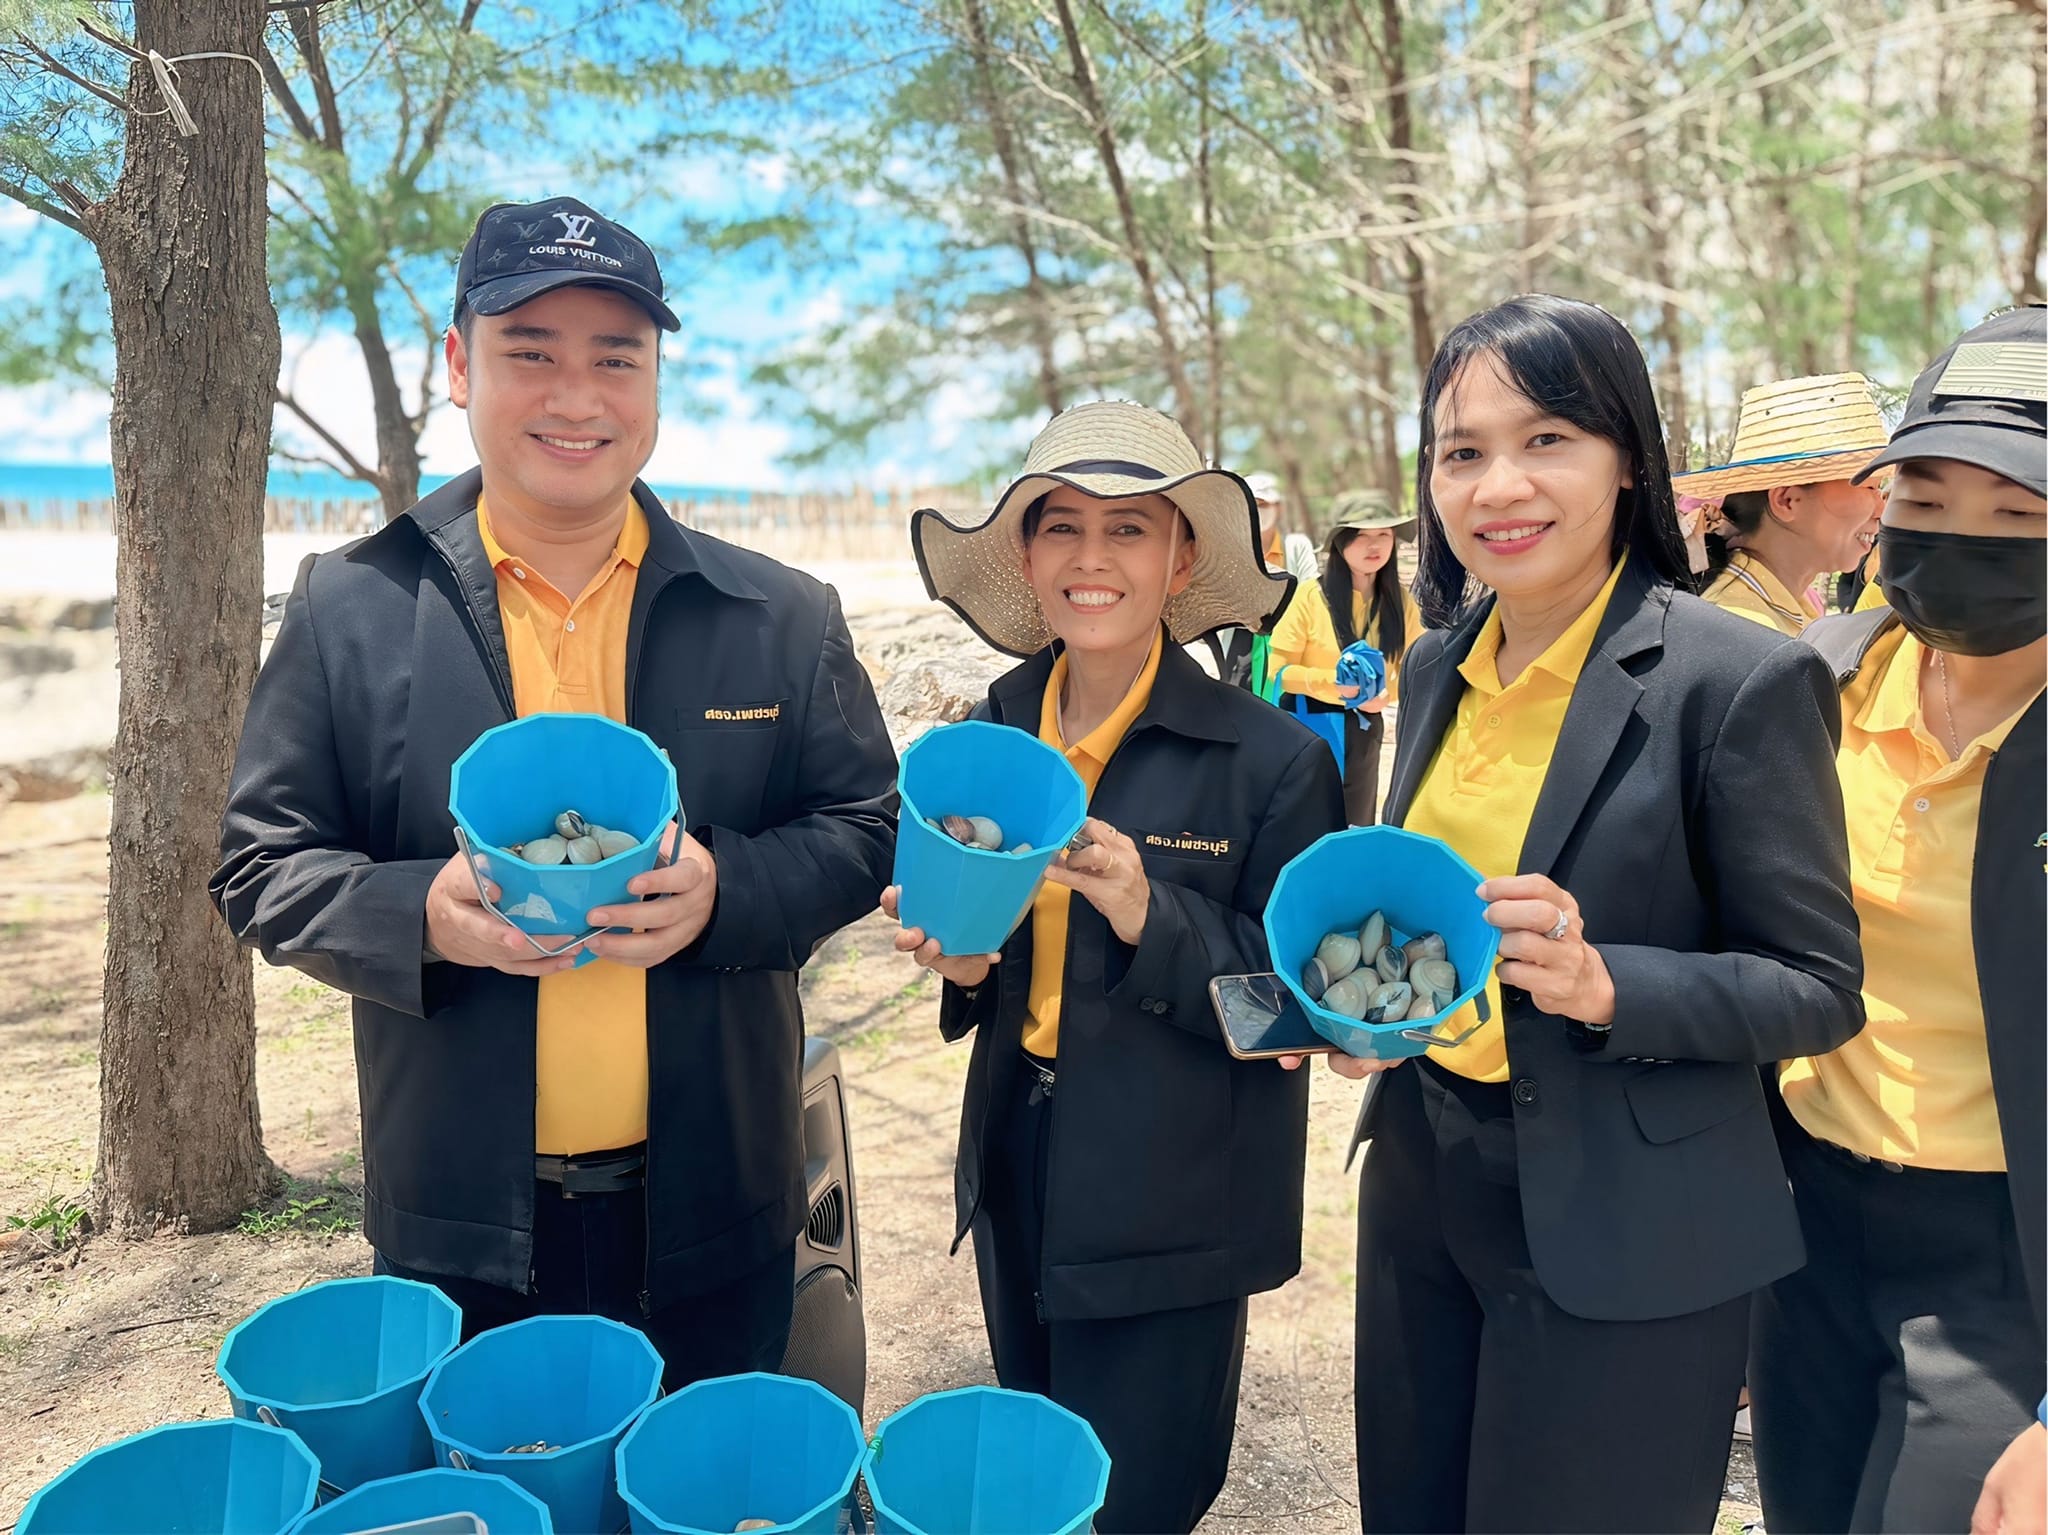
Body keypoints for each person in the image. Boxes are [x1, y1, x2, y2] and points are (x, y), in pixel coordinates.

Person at [211, 198, 898, 1388]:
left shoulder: (779, 615)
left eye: (615, 358)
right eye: (530, 352)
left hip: (717, 1216)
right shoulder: (350, 606)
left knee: (702, 1480)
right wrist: (422, 913)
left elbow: (864, 827)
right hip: (459, 1230)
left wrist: (725, 889)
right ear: (459, 364)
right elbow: (260, 863)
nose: (576, 398)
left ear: (655, 381)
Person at [1326, 295, 1865, 1533]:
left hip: (1630, 1219)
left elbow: (1816, 985)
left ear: (1628, 458)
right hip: (1423, 1175)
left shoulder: (1733, 678)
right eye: (1460, 451)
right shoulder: (1436, 664)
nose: (1497, 486)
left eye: (1546, 439)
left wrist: (1606, 980)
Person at [894, 401, 1344, 1532]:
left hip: (1174, 1192)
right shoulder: (1000, 723)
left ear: (1181, 560)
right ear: (1024, 555)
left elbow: (1299, 1011)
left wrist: (1152, 911)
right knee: (1035, 1479)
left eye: (1129, 528)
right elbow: (991, 964)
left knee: (1136, 1497)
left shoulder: (1274, 761)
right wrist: (962, 962)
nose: (1090, 557)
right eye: (1061, 526)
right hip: (1018, 1155)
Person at [1750, 305, 2046, 1535]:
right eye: (1923, 495)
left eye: (2016, 513)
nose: (1958, 535)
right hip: (1803, 1227)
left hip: (2001, 1262)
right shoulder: (1809, 682)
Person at [1676, 372, 1888, 635]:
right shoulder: (1743, 630)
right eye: (1869, 487)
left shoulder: (1781, 606)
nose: (1882, 510)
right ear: (1787, 501)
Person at [1264, 488, 1424, 824]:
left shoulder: (1401, 603)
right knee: (1307, 821)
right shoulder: (1309, 596)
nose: (1374, 546)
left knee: (1355, 822)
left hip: (1365, 727)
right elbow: (1278, 672)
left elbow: (1417, 669)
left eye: (1384, 535)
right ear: (1340, 542)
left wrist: (1387, 695)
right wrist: (1335, 686)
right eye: (1361, 536)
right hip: (1311, 725)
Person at [1195, 469, 1317, 685]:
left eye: (1263, 504)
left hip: (1290, 642)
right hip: (1241, 646)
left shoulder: (1296, 546)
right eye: (1251, 504)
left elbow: (1310, 593)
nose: (1257, 511)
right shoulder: (1229, 551)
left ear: (1278, 508)